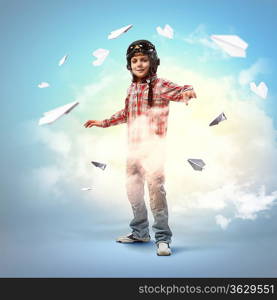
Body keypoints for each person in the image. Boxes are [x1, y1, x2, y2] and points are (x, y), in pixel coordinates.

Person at [84, 40, 197, 256]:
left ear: (153, 62)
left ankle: (163, 239)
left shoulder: (161, 85)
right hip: (133, 151)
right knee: (133, 191)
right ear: (129, 65)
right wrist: (103, 122)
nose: (139, 64)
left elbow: (182, 88)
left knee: (156, 193)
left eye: (144, 59)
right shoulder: (132, 88)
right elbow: (126, 114)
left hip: (154, 150)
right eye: (134, 60)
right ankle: (140, 232)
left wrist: (188, 92)